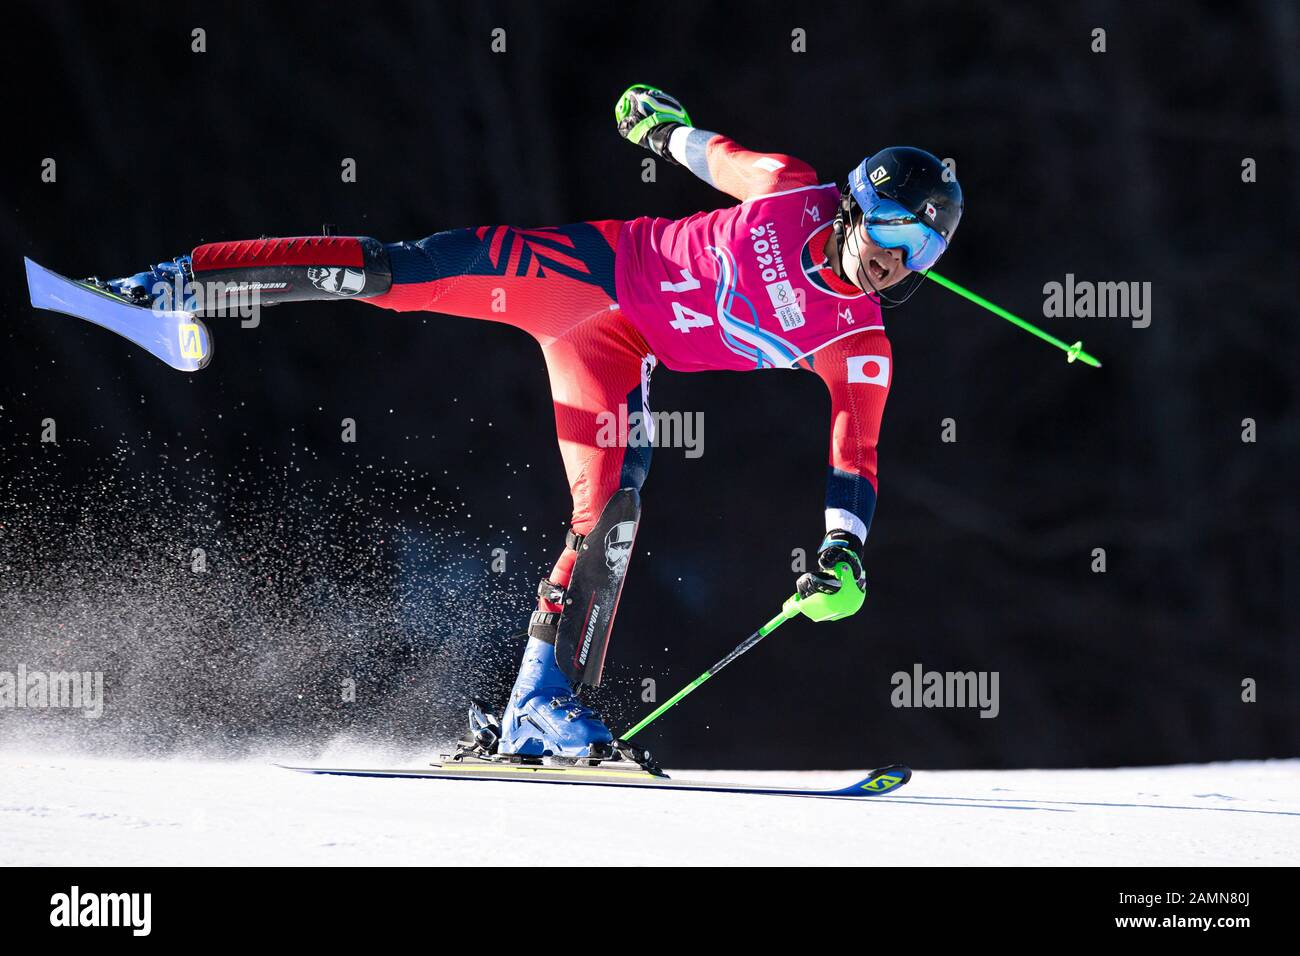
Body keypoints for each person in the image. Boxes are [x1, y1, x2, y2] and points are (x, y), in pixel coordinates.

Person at [102, 85, 963, 760]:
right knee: (396, 274)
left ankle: (541, 710)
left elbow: (857, 449)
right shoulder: (790, 188)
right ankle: (174, 284)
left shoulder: (862, 343)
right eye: (891, 227)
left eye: (922, 251)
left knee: (613, 512)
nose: (895, 259)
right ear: (856, 203)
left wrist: (843, 550)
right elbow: (713, 155)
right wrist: (658, 130)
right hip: (583, 273)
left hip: (620, 355)